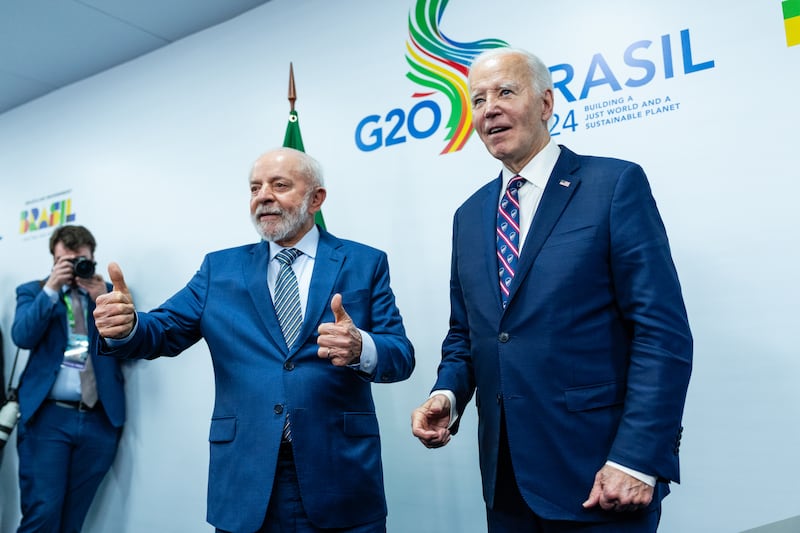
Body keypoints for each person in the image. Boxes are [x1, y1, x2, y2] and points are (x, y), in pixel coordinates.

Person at [411, 48, 693, 532]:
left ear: (544, 104)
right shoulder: (469, 216)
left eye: (504, 92)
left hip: (601, 477)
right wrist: (448, 395)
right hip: (507, 486)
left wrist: (636, 459)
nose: (489, 109)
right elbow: (468, 334)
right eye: (477, 100)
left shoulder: (614, 184)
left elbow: (661, 333)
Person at [93, 147, 415, 533]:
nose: (264, 195)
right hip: (247, 478)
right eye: (255, 187)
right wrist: (126, 326)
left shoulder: (365, 262)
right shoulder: (220, 269)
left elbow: (400, 354)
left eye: (280, 185)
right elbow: (161, 331)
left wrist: (363, 347)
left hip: (340, 472)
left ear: (317, 198)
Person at [11, 225, 126, 533]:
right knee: (42, 515)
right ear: (54, 260)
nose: (75, 268)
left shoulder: (108, 296)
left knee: (73, 521)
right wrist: (51, 288)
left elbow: (128, 348)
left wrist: (102, 299)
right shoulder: (34, 291)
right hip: (48, 419)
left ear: (92, 259)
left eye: (82, 261)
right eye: (67, 261)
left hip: (99, 421)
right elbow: (22, 336)